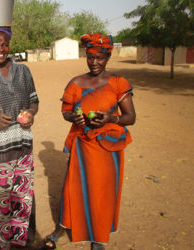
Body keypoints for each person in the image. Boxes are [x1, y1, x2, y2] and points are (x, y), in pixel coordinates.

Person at [40, 32, 136, 250]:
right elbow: (65, 111)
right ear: (86, 55)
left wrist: (111, 118)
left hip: (108, 148)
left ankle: (98, 237)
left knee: (102, 191)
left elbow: (131, 117)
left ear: (108, 57)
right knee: (73, 188)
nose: (94, 62)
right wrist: (74, 116)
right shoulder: (76, 83)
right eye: (90, 57)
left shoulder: (118, 83)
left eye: (100, 58)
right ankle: (63, 228)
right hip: (82, 145)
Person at [0, 26, 39, 249]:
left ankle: (20, 243)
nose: (1, 49)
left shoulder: (23, 71)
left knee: (22, 202)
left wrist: (30, 113)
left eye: (4, 44)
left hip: (23, 148)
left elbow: (34, 100)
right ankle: (1, 244)